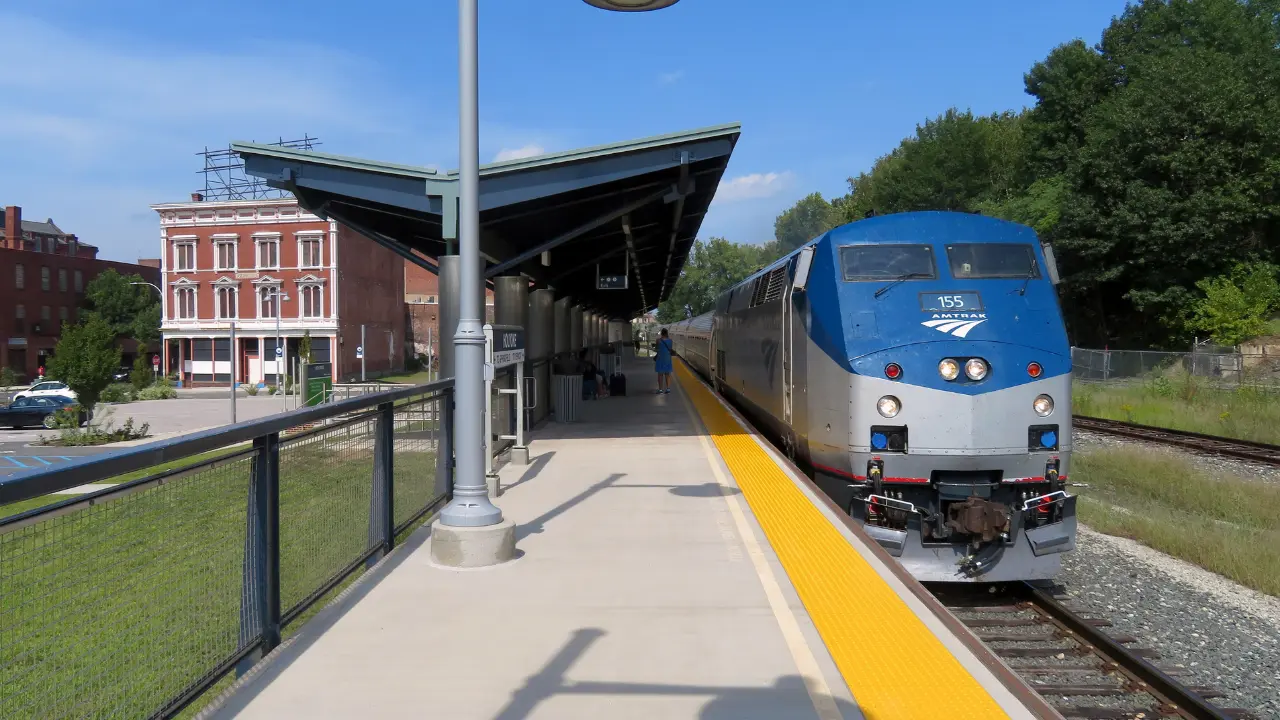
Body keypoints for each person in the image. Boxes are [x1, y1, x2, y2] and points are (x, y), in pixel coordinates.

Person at [654, 328, 674, 394]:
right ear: (667, 333)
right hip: (667, 358)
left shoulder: (658, 340)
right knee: (667, 374)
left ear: (661, 333)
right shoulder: (670, 340)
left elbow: (656, 349)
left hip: (660, 358)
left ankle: (660, 390)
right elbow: (670, 349)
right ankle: (668, 389)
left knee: (660, 375)